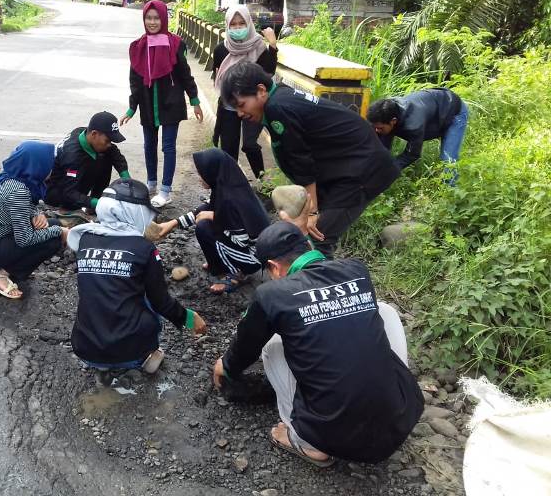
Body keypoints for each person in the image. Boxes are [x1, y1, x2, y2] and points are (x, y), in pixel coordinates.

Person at [212, 208, 423, 467]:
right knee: (384, 310)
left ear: (274, 267)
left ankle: (306, 442)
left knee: (272, 347)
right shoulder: (356, 269)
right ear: (307, 245)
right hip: (401, 419)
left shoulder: (272, 294)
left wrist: (227, 364)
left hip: (335, 437)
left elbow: (247, 347)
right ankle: (386, 397)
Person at [220, 61, 400, 257]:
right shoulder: (279, 98)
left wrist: (312, 212)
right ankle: (311, 277)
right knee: (309, 229)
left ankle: (318, 283)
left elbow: (300, 160)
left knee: (318, 235)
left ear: (261, 90)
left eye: (241, 105)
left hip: (363, 170)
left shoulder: (278, 108)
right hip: (346, 167)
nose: (239, 113)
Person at [68, 178, 207, 373]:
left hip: (84, 349)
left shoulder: (85, 238)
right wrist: (189, 318)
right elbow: (161, 303)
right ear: (134, 211)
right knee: (146, 297)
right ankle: (145, 357)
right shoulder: (144, 249)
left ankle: (102, 362)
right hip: (129, 354)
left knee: (108, 287)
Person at [121, 0, 204, 208]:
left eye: (156, 18)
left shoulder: (176, 44)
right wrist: (132, 108)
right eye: (148, 18)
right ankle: (151, 185)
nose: (152, 22)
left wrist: (194, 100)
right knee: (149, 145)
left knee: (168, 147)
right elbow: (135, 82)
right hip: (148, 104)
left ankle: (165, 190)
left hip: (171, 103)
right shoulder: (138, 46)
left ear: (164, 18)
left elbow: (185, 75)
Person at [155, 149, 269, 294]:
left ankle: (238, 274)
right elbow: (204, 209)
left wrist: (216, 217)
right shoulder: (225, 186)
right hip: (245, 246)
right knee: (204, 223)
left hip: (253, 257)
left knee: (206, 228)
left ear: (212, 172)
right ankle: (218, 266)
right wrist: (172, 223)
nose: (199, 178)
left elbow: (241, 241)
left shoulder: (231, 199)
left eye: (201, 173)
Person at [0, 141, 68, 300]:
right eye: (51, 164)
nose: (53, 169)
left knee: (52, 224)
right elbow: (24, 239)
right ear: (38, 165)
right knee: (53, 238)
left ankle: (9, 269)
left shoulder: (13, 178)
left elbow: (24, 206)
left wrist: (35, 213)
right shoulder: (18, 191)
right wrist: (60, 232)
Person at [212, 4, 279, 179]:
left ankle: (262, 179)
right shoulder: (221, 49)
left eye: (241, 23)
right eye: (233, 25)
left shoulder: (258, 46)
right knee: (228, 147)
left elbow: (268, 73)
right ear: (227, 25)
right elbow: (217, 76)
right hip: (228, 105)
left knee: (249, 144)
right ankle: (230, 185)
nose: (237, 28)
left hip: (252, 105)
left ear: (249, 23)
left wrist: (272, 45)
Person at [366, 88, 468, 179]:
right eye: (374, 127)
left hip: (453, 109)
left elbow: (412, 154)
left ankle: (450, 193)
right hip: (433, 107)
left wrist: (389, 170)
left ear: (393, 121)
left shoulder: (413, 124)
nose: (376, 131)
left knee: (448, 159)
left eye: (379, 128)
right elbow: (381, 149)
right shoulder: (384, 113)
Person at [45, 112, 131, 213]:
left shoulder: (84, 132)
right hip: (60, 195)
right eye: (107, 140)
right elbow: (68, 193)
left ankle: (96, 202)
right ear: (94, 134)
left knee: (105, 155)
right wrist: (98, 203)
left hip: (75, 181)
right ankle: (94, 204)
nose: (109, 144)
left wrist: (128, 182)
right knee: (100, 158)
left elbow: (115, 153)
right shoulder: (72, 157)